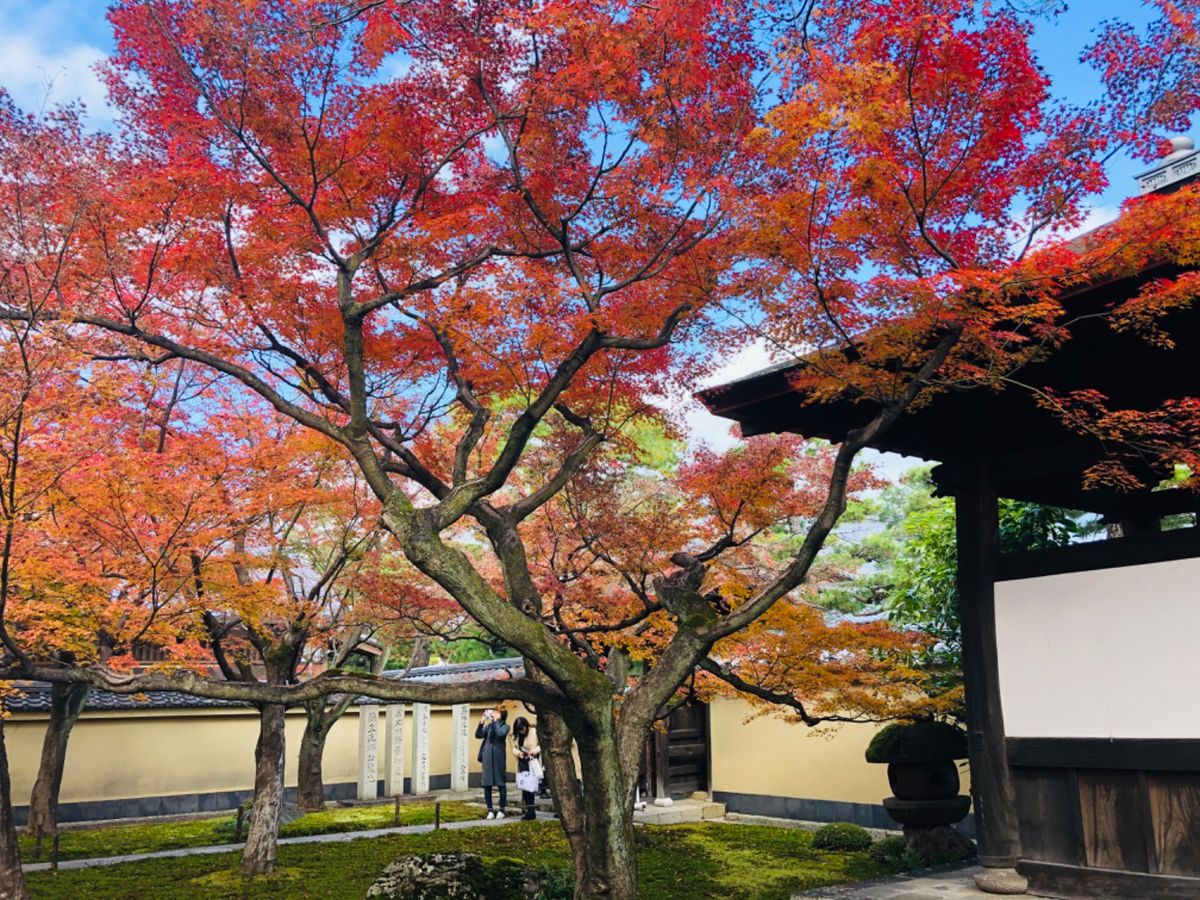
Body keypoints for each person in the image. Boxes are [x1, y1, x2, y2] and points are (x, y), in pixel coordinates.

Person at [475, 707, 510, 819]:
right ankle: (490, 810)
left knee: (501, 783)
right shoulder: (489, 726)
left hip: (498, 758)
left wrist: (495, 721)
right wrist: (481, 722)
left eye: (496, 712)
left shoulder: (505, 726)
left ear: (501, 714)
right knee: (487, 784)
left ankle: (502, 810)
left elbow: (499, 734)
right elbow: (478, 735)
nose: (493, 713)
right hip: (487, 757)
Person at [510, 715, 540, 821]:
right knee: (525, 787)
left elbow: (540, 745)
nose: (522, 732)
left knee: (530, 787)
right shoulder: (515, 736)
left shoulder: (534, 732)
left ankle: (531, 811)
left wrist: (533, 751)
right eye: (519, 730)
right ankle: (529, 810)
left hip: (532, 762)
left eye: (523, 729)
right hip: (522, 762)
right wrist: (519, 753)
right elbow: (513, 748)